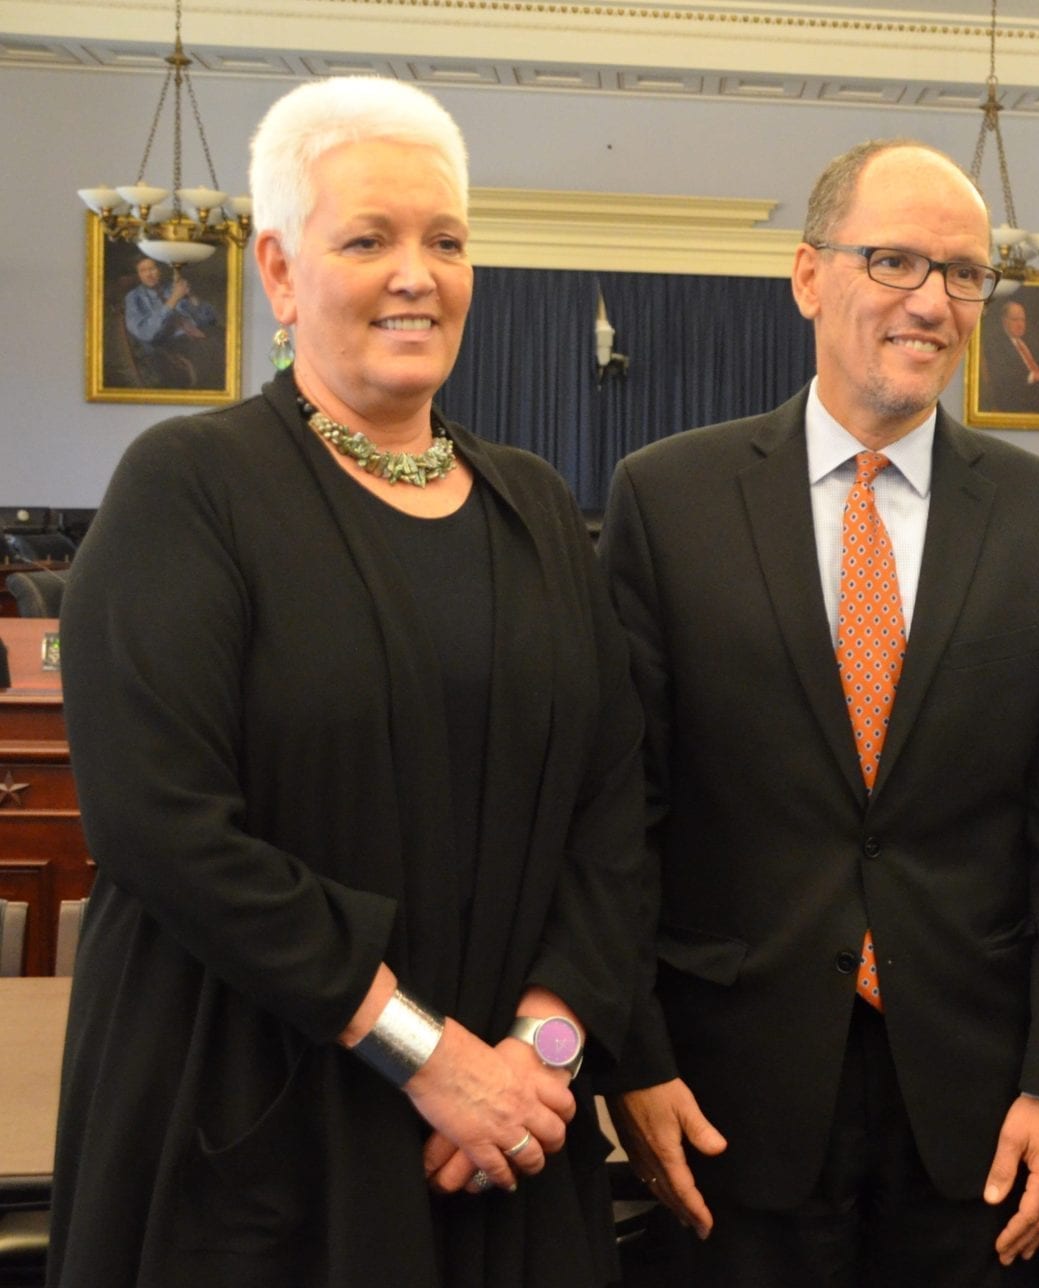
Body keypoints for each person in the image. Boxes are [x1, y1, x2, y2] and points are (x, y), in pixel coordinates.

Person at [49, 76, 649, 1286]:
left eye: (446, 241)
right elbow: (161, 826)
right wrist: (432, 1059)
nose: (415, 273)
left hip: (503, 1145)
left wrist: (539, 1055)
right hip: (258, 1121)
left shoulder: (535, 502)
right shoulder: (188, 486)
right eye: (367, 239)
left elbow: (610, 808)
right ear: (277, 271)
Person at [599, 138, 1039, 1287]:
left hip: (972, 1102)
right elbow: (622, 814)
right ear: (806, 275)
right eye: (893, 261)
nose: (932, 301)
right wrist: (632, 1057)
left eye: (964, 273)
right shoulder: (667, 498)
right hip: (726, 1087)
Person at [123, 254, 219, 387]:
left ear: (160, 270)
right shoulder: (134, 298)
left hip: (197, 335)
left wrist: (191, 298)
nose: (149, 275)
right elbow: (146, 333)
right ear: (138, 275)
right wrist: (173, 300)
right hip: (166, 347)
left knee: (223, 338)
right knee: (209, 353)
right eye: (143, 271)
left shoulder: (172, 287)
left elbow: (210, 320)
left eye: (152, 269)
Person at [981, 295, 1039, 415]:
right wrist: (1034, 376)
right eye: (1015, 320)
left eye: (1023, 320)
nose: (1020, 324)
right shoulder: (996, 344)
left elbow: (1036, 362)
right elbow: (1004, 374)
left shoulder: (1022, 341)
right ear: (1004, 321)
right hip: (1016, 395)